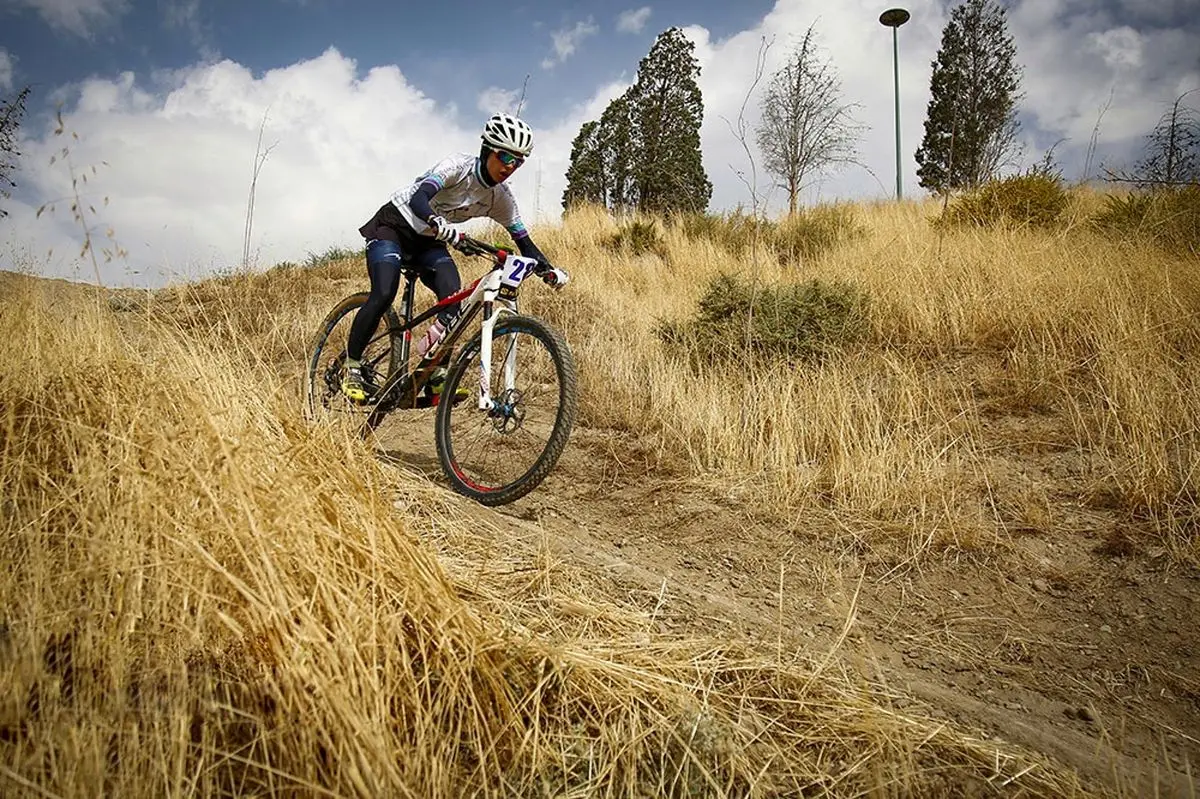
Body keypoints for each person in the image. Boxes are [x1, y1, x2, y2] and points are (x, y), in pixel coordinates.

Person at [343, 113, 566, 402]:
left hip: (431, 240)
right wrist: (436, 220)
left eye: (518, 161)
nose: (510, 167)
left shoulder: (501, 198)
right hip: (394, 226)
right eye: (504, 157)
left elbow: (524, 243)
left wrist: (547, 270)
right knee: (384, 291)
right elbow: (419, 198)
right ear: (487, 150)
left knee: (455, 299)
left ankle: (435, 370)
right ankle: (352, 367)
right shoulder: (457, 167)